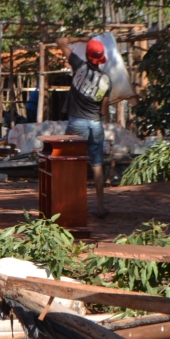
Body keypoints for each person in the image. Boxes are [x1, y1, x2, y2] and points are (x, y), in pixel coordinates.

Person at [55, 35, 111, 218]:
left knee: (71, 164)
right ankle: (101, 207)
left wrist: (83, 38)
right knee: (97, 165)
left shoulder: (78, 66)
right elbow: (103, 111)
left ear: (87, 55)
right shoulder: (106, 80)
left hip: (77, 122)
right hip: (95, 124)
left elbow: (60, 41)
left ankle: (71, 206)